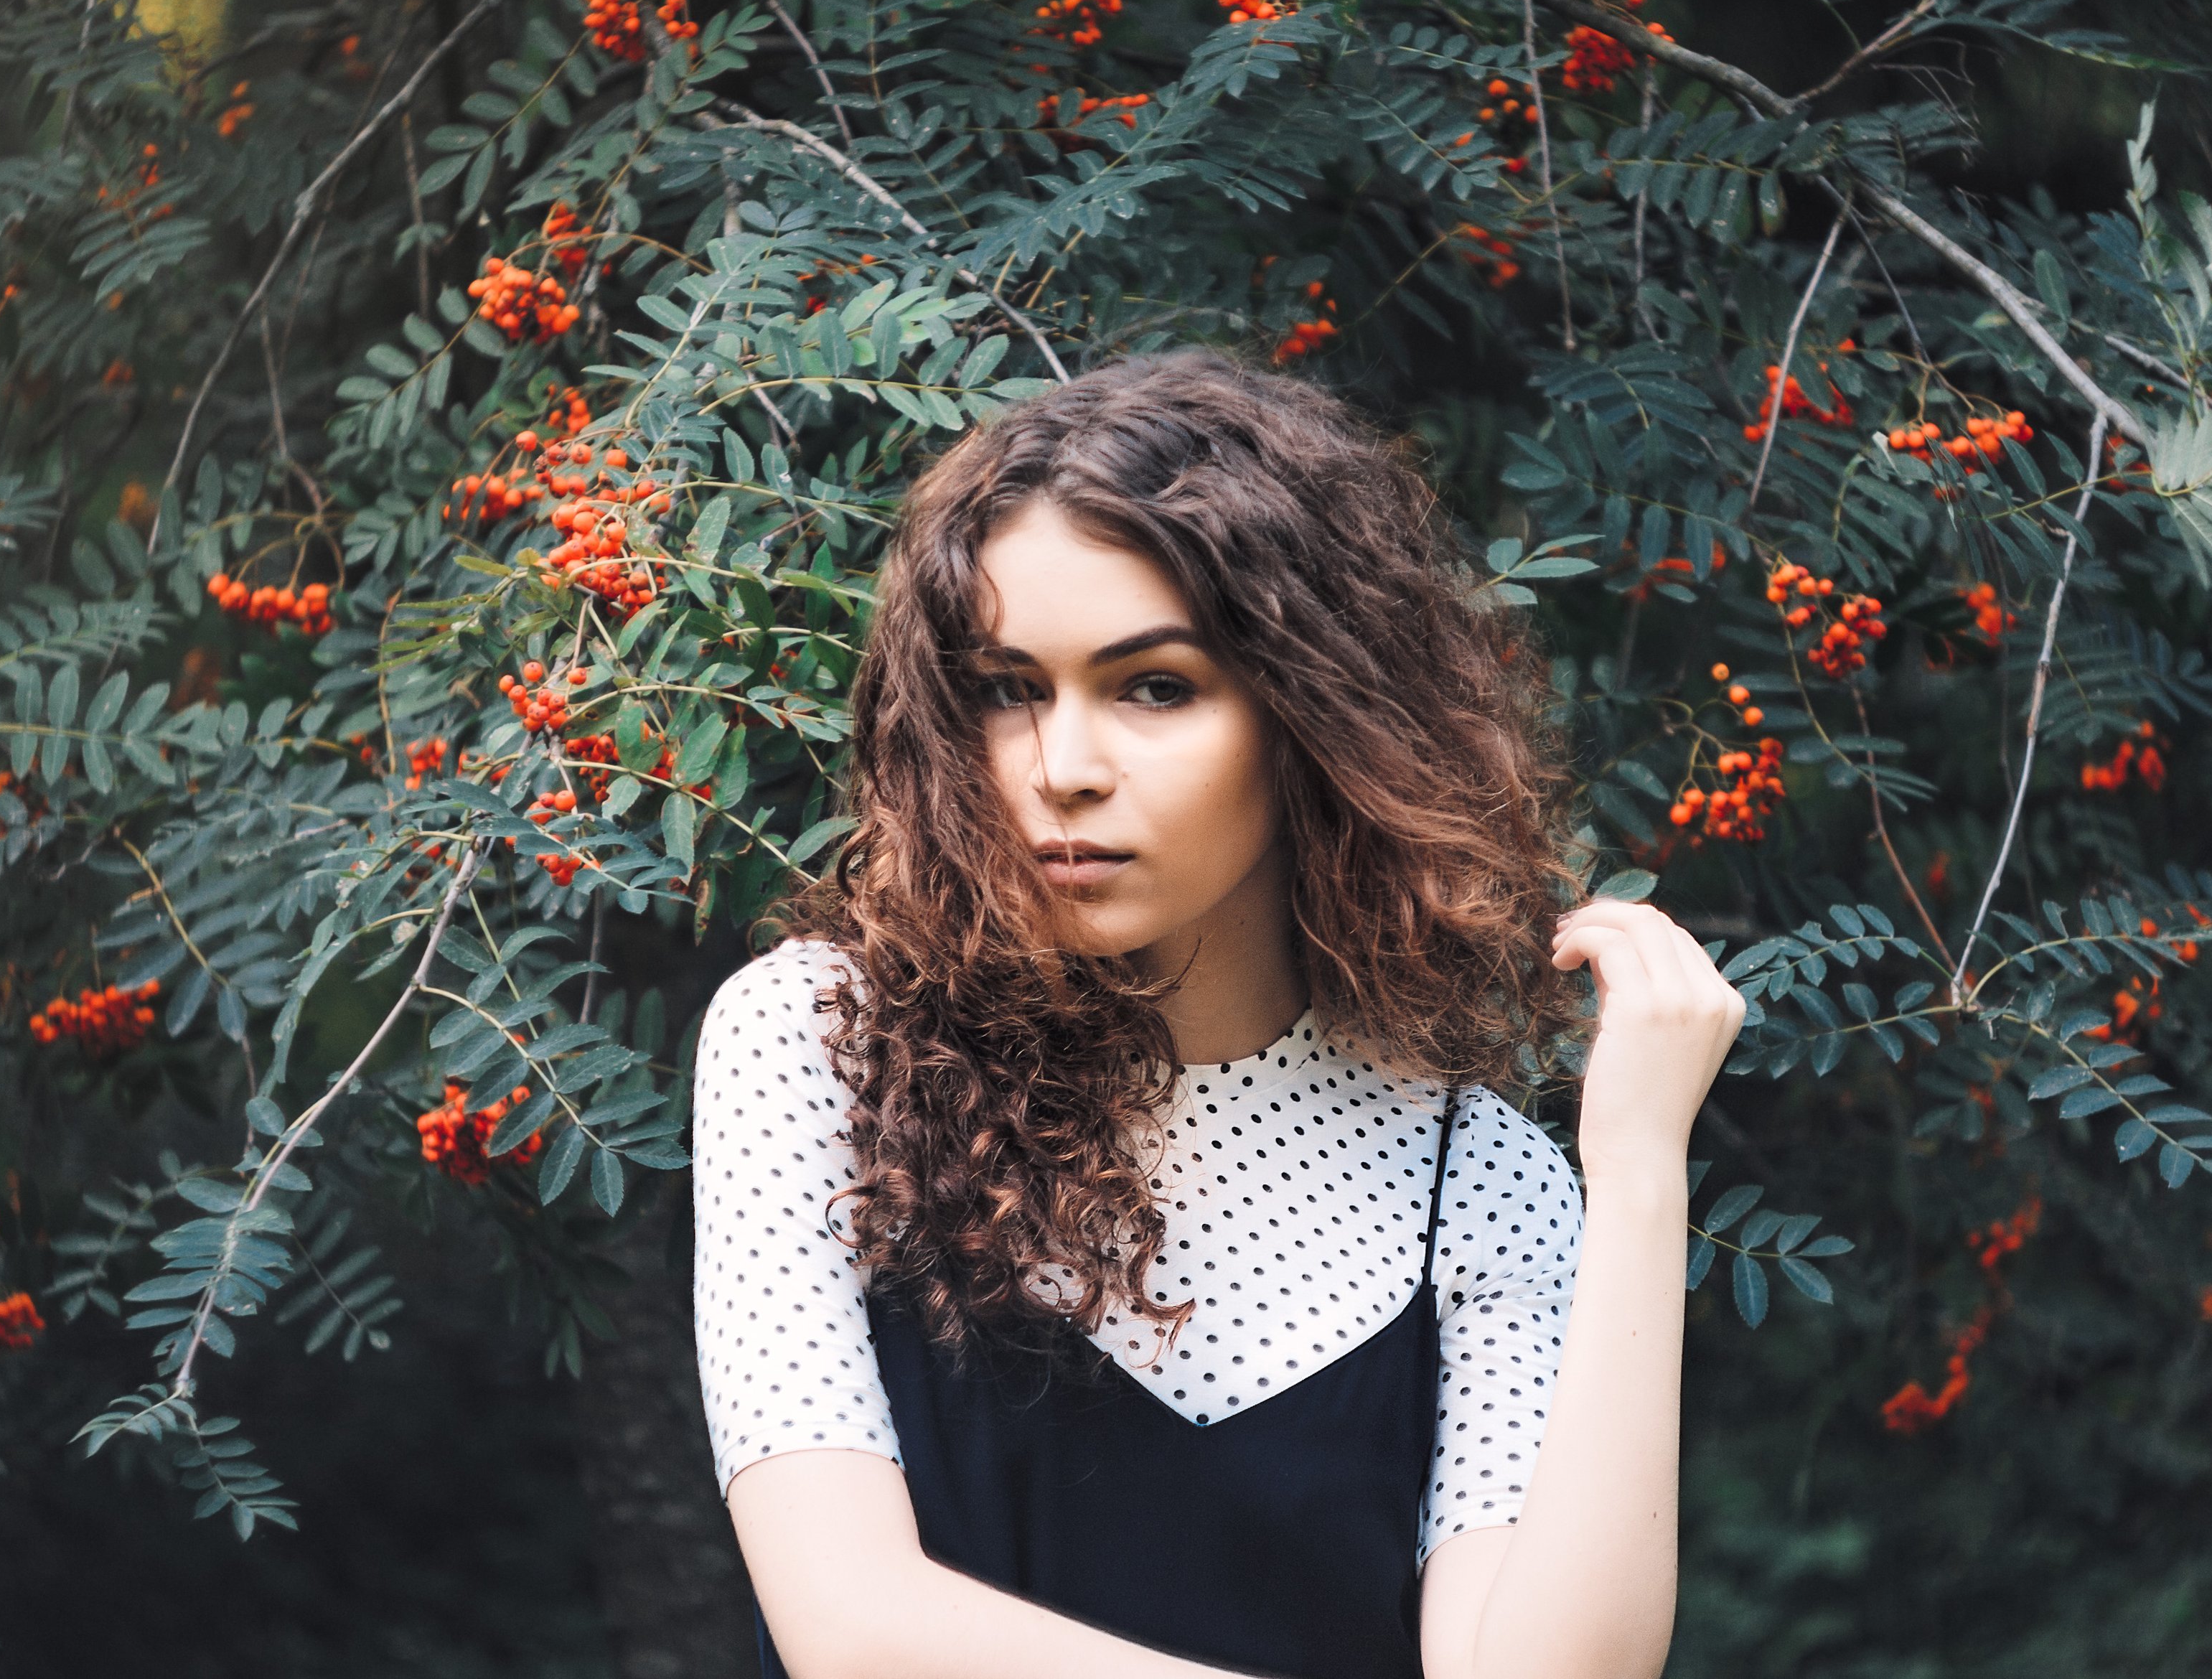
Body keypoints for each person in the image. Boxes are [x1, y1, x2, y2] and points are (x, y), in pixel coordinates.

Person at [690, 350, 1744, 1679]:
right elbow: (853, 1631)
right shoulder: (819, 1044)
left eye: (1154, 686)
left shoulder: (1472, 1178)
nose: (1061, 770)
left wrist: (1641, 1177)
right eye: (1009, 688)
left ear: (1312, 714)